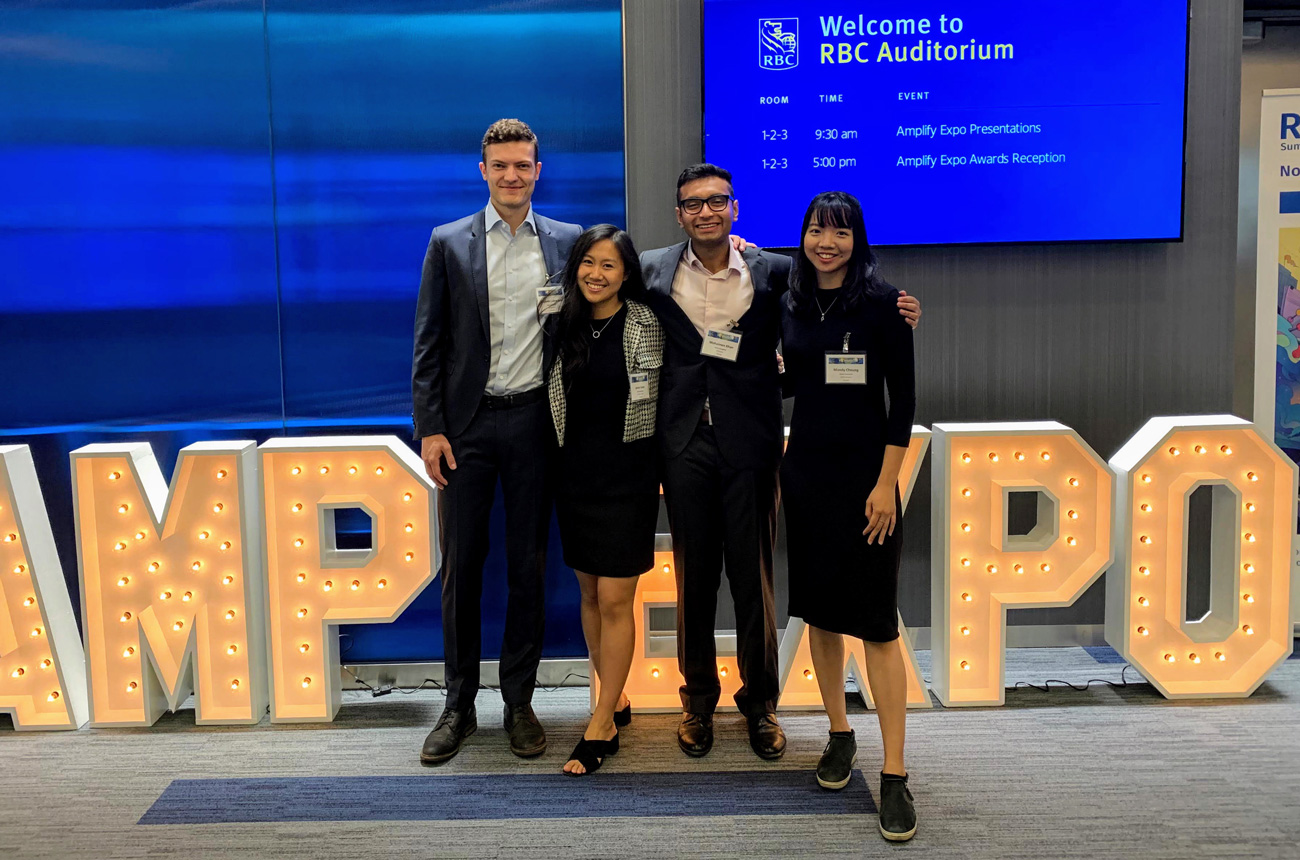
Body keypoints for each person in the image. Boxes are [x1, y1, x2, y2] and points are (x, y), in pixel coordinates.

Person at [639, 165, 922, 761]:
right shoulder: (652, 269)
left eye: (718, 201)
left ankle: (761, 703)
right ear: (679, 213)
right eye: (694, 204)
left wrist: (902, 311)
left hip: (754, 443)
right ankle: (697, 702)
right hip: (684, 442)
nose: (706, 212)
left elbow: (845, 305)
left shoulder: (776, 272)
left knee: (754, 579)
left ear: (735, 209)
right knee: (693, 577)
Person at [412, 118, 581, 763]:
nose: (512, 176)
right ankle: (457, 705)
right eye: (500, 165)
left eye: (523, 165)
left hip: (538, 424)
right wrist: (430, 429)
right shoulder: (448, 243)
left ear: (539, 171)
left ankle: (518, 701)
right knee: (462, 567)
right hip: (467, 428)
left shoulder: (567, 243)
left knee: (529, 568)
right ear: (482, 170)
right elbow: (428, 348)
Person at [779, 191, 918, 842]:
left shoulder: (886, 305)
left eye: (838, 232)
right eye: (815, 230)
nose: (825, 242)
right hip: (805, 476)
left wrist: (888, 484)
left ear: (857, 238)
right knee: (820, 613)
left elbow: (902, 405)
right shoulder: (793, 301)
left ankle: (894, 772)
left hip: (868, 484)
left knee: (876, 623)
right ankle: (839, 732)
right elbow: (792, 381)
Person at [545, 224, 662, 775]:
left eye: (609, 265)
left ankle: (600, 724)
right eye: (588, 262)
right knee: (589, 596)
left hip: (630, 480)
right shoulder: (560, 323)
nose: (596, 273)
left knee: (617, 600)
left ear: (627, 273)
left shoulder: (646, 323)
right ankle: (612, 697)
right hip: (574, 479)